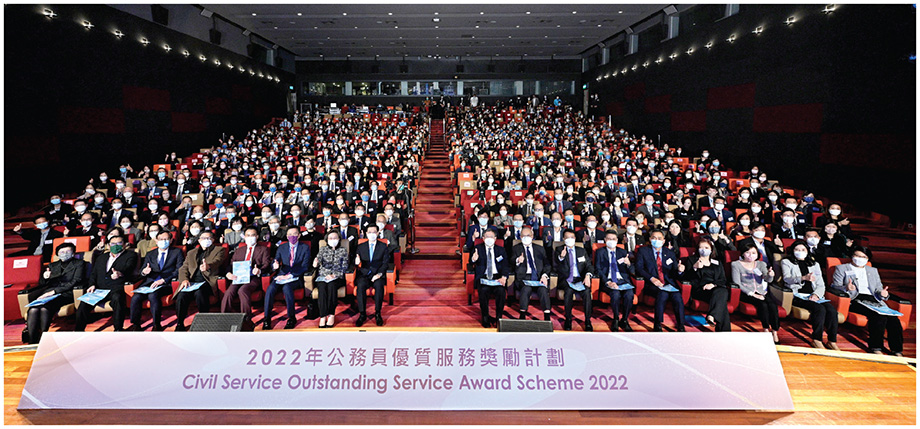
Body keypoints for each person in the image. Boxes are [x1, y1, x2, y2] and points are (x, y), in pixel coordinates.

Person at [831, 247, 902, 356]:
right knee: (878, 317)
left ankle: (897, 350)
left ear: (867, 259)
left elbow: (878, 288)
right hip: (855, 298)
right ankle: (876, 347)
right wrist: (846, 287)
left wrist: (883, 294)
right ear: (852, 256)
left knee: (893, 319)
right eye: (857, 256)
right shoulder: (842, 268)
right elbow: (834, 286)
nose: (860, 259)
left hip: (873, 299)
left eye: (863, 257)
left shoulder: (872, 270)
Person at [21, 243, 87, 344]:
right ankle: (32, 340)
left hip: (67, 293)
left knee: (44, 308)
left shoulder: (79, 263)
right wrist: (45, 277)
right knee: (33, 309)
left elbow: (76, 281)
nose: (64, 254)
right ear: (57, 254)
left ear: (73, 253)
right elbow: (43, 283)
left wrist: (55, 291)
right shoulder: (52, 265)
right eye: (62, 252)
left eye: (68, 251)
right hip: (49, 293)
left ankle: (44, 337)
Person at [782, 240, 839, 350]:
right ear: (792, 251)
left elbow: (821, 284)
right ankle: (817, 339)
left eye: (803, 250)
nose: (800, 252)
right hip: (797, 295)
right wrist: (803, 278)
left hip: (813, 295)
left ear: (807, 251)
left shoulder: (815, 264)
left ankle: (832, 341)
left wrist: (816, 295)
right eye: (797, 250)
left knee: (831, 310)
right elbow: (787, 279)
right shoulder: (787, 262)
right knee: (819, 309)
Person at [75, 235, 137, 332]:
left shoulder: (130, 255)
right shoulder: (101, 257)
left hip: (116, 288)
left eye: (119, 243)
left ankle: (118, 329)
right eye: (112, 243)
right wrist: (92, 284)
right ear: (108, 246)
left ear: (125, 245)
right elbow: (94, 273)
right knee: (84, 303)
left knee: (118, 299)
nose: (115, 246)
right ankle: (78, 331)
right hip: (99, 289)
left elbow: (129, 268)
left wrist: (119, 273)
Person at [128, 231, 184, 331]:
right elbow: (142, 271)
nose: (163, 241)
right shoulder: (150, 254)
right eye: (161, 239)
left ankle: (156, 324)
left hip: (167, 283)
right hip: (149, 283)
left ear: (171, 240)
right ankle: (135, 325)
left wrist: (164, 280)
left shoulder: (177, 252)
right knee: (136, 297)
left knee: (153, 295)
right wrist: (145, 272)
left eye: (166, 239)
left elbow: (179, 270)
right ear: (156, 241)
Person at [174, 230, 226, 331]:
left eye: (208, 238)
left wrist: (208, 266)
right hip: (191, 282)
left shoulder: (219, 250)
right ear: (199, 240)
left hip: (207, 281)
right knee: (181, 296)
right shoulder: (191, 253)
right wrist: (184, 279)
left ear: (213, 239)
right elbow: (183, 268)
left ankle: (204, 321)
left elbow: (218, 261)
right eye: (203, 238)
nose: (206, 240)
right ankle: (180, 323)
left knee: (200, 293)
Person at [636, 229, 686, 332]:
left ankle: (681, 325)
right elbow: (639, 268)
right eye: (654, 238)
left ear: (663, 241)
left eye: (659, 238)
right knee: (662, 294)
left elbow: (674, 273)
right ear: (650, 239)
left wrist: (680, 271)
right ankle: (658, 324)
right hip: (652, 284)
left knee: (677, 297)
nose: (656, 240)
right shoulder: (643, 251)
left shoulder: (670, 253)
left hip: (668, 283)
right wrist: (651, 278)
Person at [263, 226, 311, 330]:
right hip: (281, 275)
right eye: (289, 234)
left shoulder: (305, 247)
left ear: (298, 235)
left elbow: (305, 266)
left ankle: (291, 318)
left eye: (294, 234)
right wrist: (274, 265)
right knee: (270, 289)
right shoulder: (282, 247)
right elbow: (276, 260)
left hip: (296, 277)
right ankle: (267, 319)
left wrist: (290, 276)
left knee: (287, 288)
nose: (292, 236)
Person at [733, 242, 780, 343]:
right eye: (748, 252)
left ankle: (775, 331)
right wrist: (752, 294)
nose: (751, 255)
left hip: (761, 291)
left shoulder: (761, 264)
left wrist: (771, 275)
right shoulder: (736, 264)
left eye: (754, 253)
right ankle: (765, 329)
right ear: (743, 254)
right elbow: (737, 283)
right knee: (762, 305)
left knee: (772, 305)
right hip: (746, 292)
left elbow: (768, 279)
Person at [222, 226, 271, 320]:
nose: (250, 237)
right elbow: (231, 264)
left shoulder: (263, 249)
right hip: (239, 277)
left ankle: (246, 317)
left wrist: (259, 270)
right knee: (229, 292)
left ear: (257, 236)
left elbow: (267, 264)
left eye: (253, 235)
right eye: (248, 235)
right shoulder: (239, 250)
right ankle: (224, 316)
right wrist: (228, 273)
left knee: (242, 290)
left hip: (253, 277)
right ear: (244, 237)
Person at [684, 237, 731, 331]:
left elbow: (722, 280)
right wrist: (695, 268)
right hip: (700, 290)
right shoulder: (691, 260)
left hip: (715, 289)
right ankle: (724, 331)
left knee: (721, 292)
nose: (703, 250)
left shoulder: (717, 262)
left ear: (711, 249)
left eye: (706, 248)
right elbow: (687, 278)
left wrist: (713, 285)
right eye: (701, 247)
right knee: (722, 298)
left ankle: (712, 317)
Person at [553, 229, 595, 331]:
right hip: (566, 280)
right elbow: (556, 268)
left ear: (575, 239)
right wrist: (561, 258)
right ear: (563, 239)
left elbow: (589, 266)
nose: (570, 240)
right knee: (568, 292)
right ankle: (568, 319)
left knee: (587, 292)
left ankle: (588, 320)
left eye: (572, 237)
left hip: (580, 279)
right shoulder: (559, 250)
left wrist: (588, 275)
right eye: (567, 238)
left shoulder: (581, 250)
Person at [595, 231, 635, 332]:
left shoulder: (622, 252)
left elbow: (632, 271)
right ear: (605, 240)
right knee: (615, 294)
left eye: (613, 239)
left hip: (622, 280)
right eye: (609, 239)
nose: (611, 241)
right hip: (608, 281)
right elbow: (598, 269)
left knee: (629, 295)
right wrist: (608, 282)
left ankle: (625, 320)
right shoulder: (600, 252)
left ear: (617, 240)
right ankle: (616, 319)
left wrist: (629, 264)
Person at [470, 228, 510, 328]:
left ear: (495, 238)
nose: (489, 239)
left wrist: (504, 277)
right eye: (487, 237)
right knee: (483, 291)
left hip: (497, 277)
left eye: (491, 237)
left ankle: (499, 318)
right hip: (483, 277)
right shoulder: (477, 248)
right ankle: (485, 317)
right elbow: (470, 264)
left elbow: (506, 265)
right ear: (483, 238)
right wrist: (473, 259)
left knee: (501, 291)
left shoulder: (501, 250)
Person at [511, 226, 551, 321]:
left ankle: (547, 316)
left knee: (543, 289)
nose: (526, 237)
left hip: (538, 277)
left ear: (532, 236)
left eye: (528, 235)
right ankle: (522, 314)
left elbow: (547, 264)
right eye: (523, 236)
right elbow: (511, 262)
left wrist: (544, 275)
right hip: (524, 278)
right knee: (526, 289)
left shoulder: (540, 248)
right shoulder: (516, 248)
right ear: (520, 237)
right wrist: (518, 260)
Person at [354, 225, 390, 327]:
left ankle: (378, 313)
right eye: (369, 232)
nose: (372, 234)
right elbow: (356, 260)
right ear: (366, 233)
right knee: (360, 286)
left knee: (379, 286)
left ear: (378, 233)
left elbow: (385, 263)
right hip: (364, 274)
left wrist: (379, 274)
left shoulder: (383, 246)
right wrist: (356, 262)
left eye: (374, 232)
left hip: (377, 274)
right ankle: (362, 314)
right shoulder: (361, 246)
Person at [313, 230, 349, 328]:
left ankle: (331, 314)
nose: (333, 240)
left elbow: (345, 266)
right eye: (330, 238)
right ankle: (323, 316)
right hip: (323, 276)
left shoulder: (343, 250)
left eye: (335, 238)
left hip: (337, 277)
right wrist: (315, 263)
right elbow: (318, 259)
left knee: (331, 286)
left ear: (339, 239)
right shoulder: (323, 249)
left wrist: (335, 275)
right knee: (322, 288)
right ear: (327, 239)